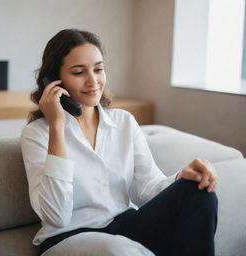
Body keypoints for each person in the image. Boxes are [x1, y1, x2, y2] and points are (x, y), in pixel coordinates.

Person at [20, 28, 218, 256]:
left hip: (126, 226)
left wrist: (183, 177)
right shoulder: (36, 134)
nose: (93, 81)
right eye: (78, 72)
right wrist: (56, 126)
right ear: (54, 80)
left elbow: (147, 189)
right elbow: (56, 216)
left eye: (98, 69)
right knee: (118, 250)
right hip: (70, 237)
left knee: (199, 192)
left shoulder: (124, 121)